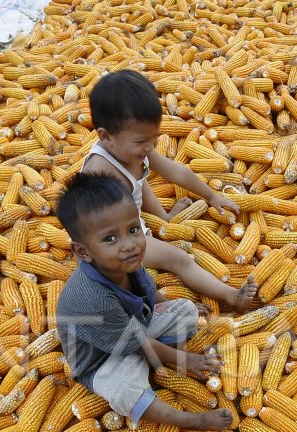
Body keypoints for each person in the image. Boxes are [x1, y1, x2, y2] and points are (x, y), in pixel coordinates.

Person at [55, 172, 234, 432]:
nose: (130, 245)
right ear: (83, 252)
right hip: (103, 359)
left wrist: (170, 308)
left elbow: (151, 294)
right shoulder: (92, 298)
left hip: (133, 328)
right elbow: (138, 343)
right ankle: (188, 420)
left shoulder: (126, 261)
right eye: (110, 238)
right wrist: (187, 360)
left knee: (184, 309)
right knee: (126, 391)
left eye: (133, 230)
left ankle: (157, 363)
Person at [83, 69, 260, 313]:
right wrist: (161, 302)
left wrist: (211, 196)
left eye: (154, 139)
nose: (150, 147)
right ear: (106, 136)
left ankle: (164, 218)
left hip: (128, 218)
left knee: (139, 178)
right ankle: (230, 295)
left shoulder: (132, 149)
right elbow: (108, 252)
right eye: (141, 142)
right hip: (113, 241)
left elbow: (177, 173)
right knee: (179, 259)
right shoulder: (100, 175)